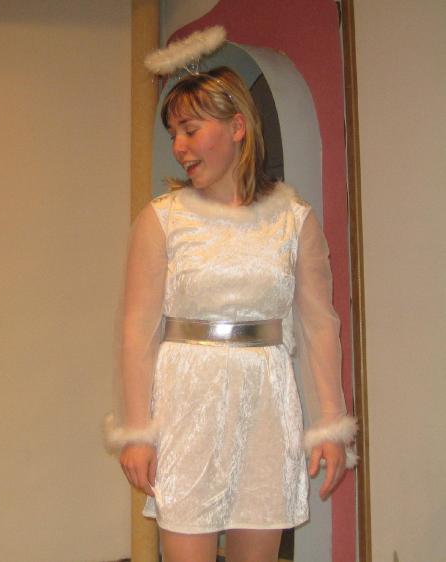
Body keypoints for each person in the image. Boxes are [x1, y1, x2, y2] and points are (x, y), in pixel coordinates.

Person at [106, 67, 356, 562]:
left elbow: (319, 327)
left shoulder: (293, 220)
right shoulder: (163, 219)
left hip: (266, 405)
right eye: (173, 134)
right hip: (186, 407)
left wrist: (330, 423)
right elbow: (137, 331)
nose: (179, 147)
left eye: (190, 130)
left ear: (237, 126)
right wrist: (138, 431)